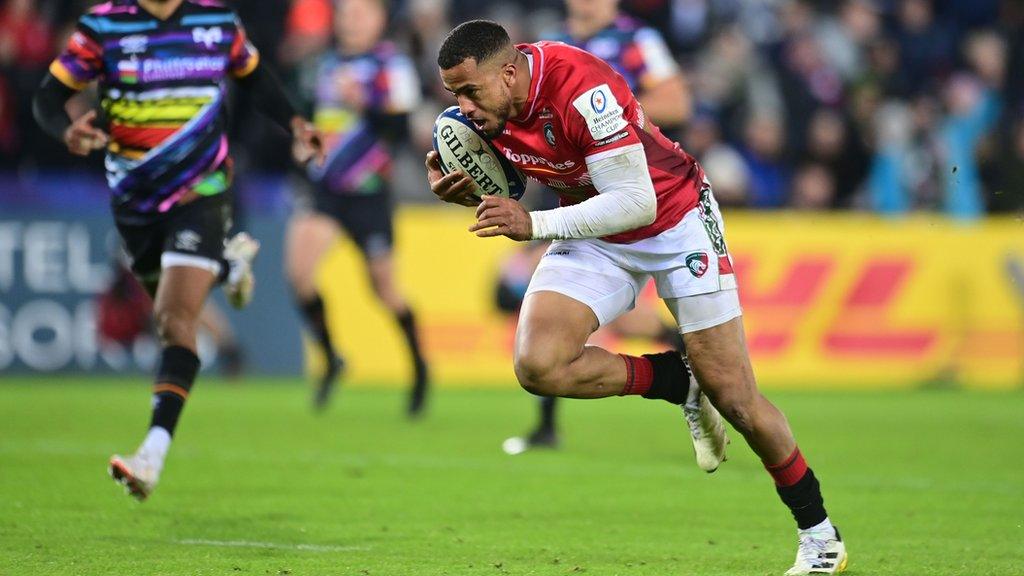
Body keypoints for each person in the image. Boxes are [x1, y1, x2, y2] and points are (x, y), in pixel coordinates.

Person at [426, 21, 846, 575]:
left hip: (674, 223)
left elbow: (636, 203)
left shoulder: (582, 87)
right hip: (596, 231)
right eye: (453, 94)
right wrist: (467, 191)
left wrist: (533, 224)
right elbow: (514, 183)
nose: (463, 107)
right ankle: (676, 381)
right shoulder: (483, 113)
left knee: (738, 399)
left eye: (470, 92)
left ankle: (821, 537)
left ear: (509, 72)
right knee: (538, 363)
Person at [33, 0, 323, 501]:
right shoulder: (103, 26)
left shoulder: (216, 22)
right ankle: (227, 264)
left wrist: (296, 124)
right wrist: (66, 130)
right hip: (134, 202)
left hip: (202, 192)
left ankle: (152, 451)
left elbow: (255, 79)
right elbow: (47, 98)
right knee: (175, 323)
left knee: (172, 318)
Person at [503, 0, 692, 453]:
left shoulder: (635, 40)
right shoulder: (548, 47)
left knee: (598, 317)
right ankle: (549, 420)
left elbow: (677, 102)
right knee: (537, 306)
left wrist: (600, 112)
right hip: (565, 191)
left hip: (628, 190)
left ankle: (679, 367)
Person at [286, 0, 430, 414]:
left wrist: (365, 102)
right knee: (299, 275)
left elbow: (401, 131)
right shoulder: (324, 63)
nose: (351, 21)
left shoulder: (391, 66)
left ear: (378, 19)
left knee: (384, 292)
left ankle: (419, 368)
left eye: (360, 13)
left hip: (368, 193)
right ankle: (331, 356)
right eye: (345, 13)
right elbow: (309, 117)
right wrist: (302, 141)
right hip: (325, 190)